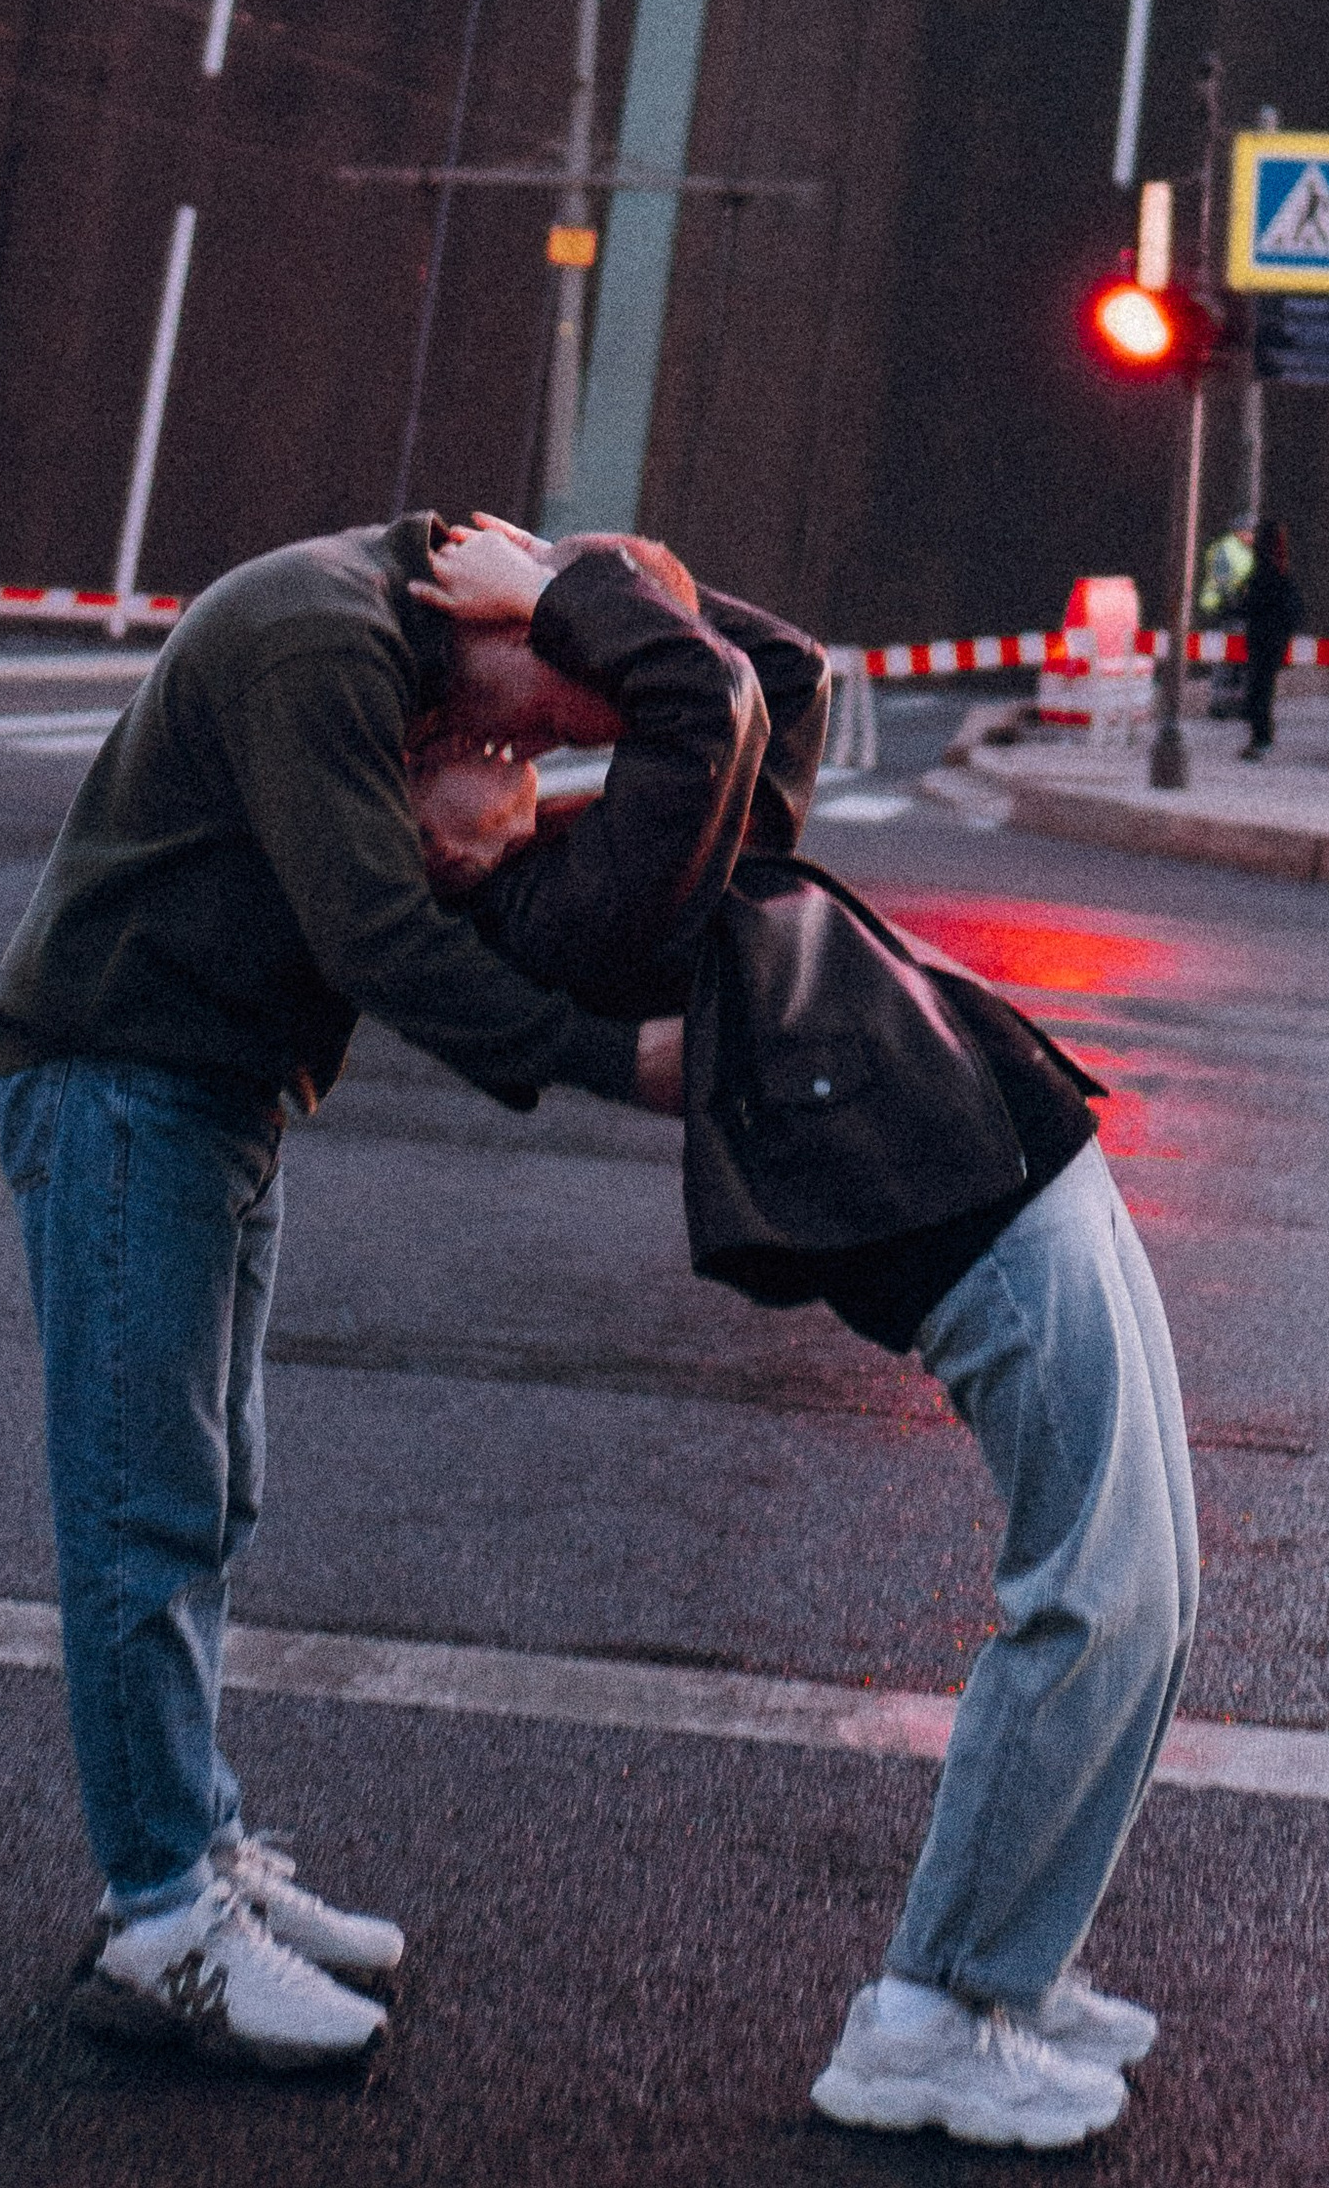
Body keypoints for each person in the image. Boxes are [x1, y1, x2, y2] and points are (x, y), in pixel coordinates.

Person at [410, 530, 1199, 2154]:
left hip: (1019, 1161)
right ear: (412, 849)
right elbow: (698, 705)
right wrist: (561, 585)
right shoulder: (566, 913)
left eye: (504, 732)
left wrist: (608, 588)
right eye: (447, 759)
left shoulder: (641, 851)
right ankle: (929, 2016)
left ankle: (1015, 1974)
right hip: (962, 1210)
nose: (499, 750)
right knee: (1092, 1598)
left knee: (1154, 1593)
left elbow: (782, 689)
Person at [0, 510, 694, 2069]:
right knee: (143, 1509)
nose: (520, 753)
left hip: (218, 1090)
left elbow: (758, 679)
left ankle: (200, 1840)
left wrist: (593, 634)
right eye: (542, 719)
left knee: (212, 1495)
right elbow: (376, 934)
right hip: (124, 1083)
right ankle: (162, 1920)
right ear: (507, 624)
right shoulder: (326, 642)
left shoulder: (418, 638)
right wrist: (609, 1064)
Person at [1229, 515, 1301, 759]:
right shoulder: (1283, 569)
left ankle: (1261, 739)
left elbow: (1252, 604)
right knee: (1263, 688)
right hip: (1275, 638)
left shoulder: (1264, 570)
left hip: (1262, 638)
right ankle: (1262, 737)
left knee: (1258, 690)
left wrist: (1238, 604)